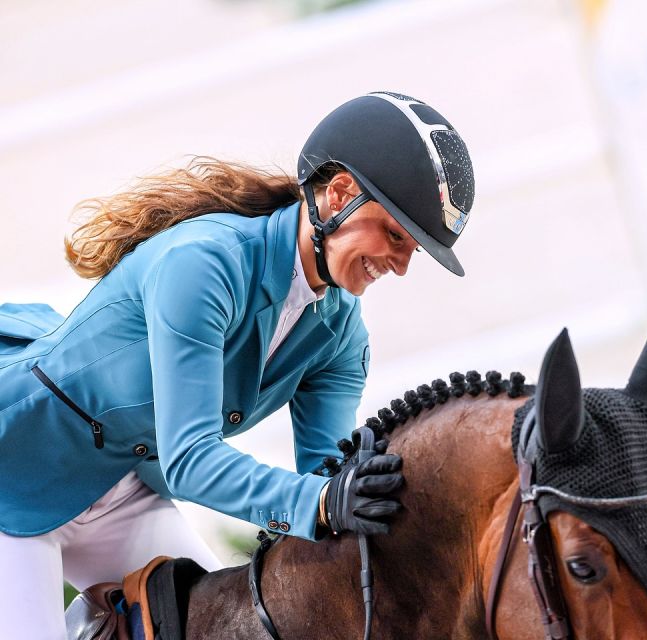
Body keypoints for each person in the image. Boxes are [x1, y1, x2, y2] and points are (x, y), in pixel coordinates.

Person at [0, 91, 475, 639]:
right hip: (19, 468)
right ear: (339, 194)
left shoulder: (341, 333)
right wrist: (320, 500)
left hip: (117, 488)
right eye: (396, 235)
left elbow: (322, 480)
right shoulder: (203, 263)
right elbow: (192, 459)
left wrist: (373, 495)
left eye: (413, 247)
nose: (401, 265)